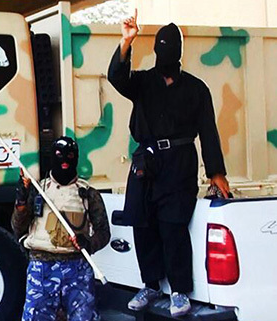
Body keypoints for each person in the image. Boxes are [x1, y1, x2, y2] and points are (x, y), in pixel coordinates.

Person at [107, 9, 230, 317]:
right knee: (142, 223)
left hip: (179, 163)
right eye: (161, 47)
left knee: (174, 227)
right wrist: (126, 41)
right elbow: (117, 77)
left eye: (170, 48)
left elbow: (208, 131)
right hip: (146, 161)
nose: (165, 53)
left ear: (178, 53)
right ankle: (149, 284)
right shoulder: (143, 82)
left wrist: (216, 173)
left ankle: (178, 291)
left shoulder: (196, 88)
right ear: (156, 50)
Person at [12, 137, 110, 321]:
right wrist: (21, 203)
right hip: (41, 267)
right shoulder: (39, 190)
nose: (64, 161)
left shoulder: (88, 193)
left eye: (70, 156)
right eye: (58, 155)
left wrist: (89, 243)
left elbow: (103, 232)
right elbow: (18, 228)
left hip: (77, 269)